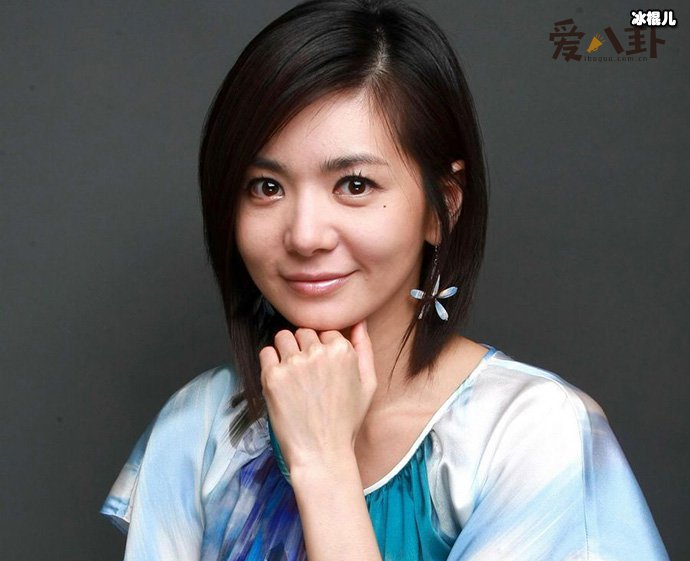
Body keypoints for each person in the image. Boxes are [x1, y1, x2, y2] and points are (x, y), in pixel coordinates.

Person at [100, 1, 670, 559]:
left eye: (354, 185)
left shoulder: (530, 434)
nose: (305, 235)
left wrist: (323, 467)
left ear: (442, 205)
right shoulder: (202, 427)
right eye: (266, 187)